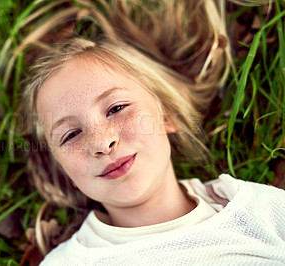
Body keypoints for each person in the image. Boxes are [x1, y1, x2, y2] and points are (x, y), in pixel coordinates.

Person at [22, 0, 285, 265]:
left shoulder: (258, 210)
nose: (101, 142)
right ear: (61, 164)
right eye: (70, 135)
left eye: (116, 108)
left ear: (168, 114)